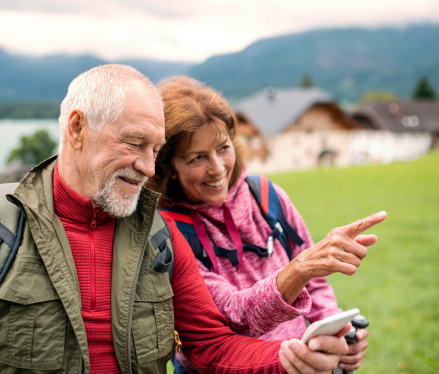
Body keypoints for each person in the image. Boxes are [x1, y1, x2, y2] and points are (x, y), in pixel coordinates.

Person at [0, 65, 355, 374]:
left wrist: (290, 356)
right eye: (134, 144)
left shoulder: (161, 236)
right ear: (76, 129)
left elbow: (212, 346)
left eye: (155, 151)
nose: (149, 168)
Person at [147, 76, 386, 373]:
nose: (218, 167)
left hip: (299, 362)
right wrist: (298, 269)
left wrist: (339, 333)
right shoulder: (167, 232)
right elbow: (234, 316)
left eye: (223, 148)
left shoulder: (266, 195)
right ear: (167, 166)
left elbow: (317, 284)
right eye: (197, 158)